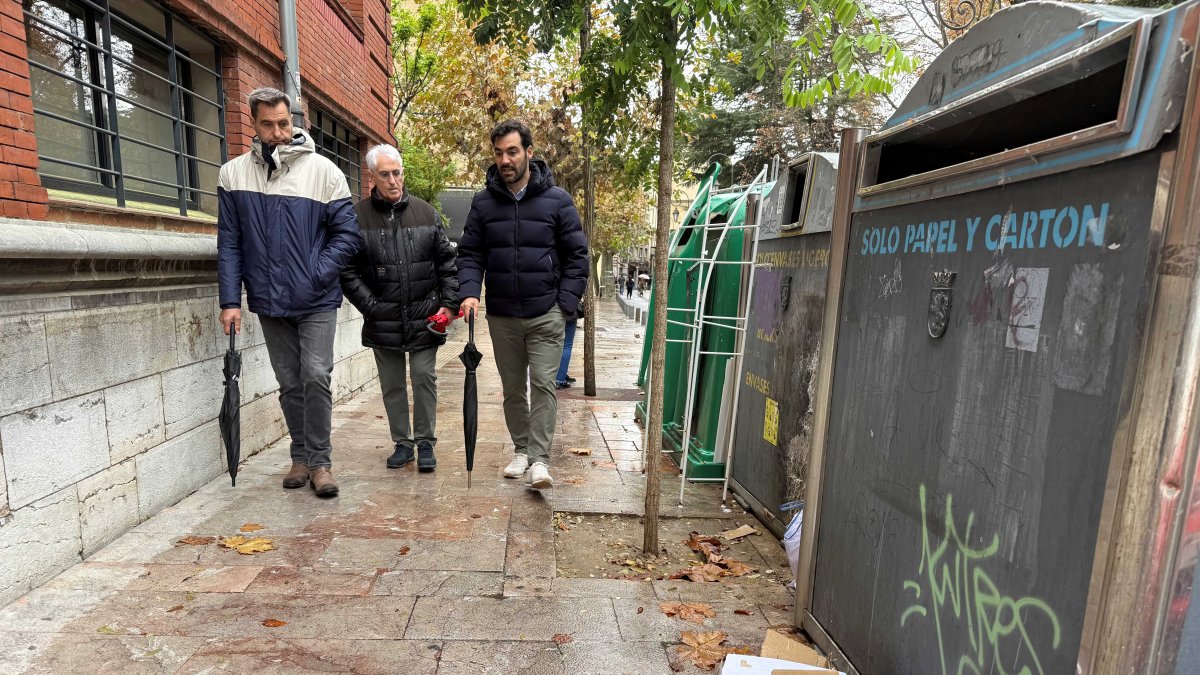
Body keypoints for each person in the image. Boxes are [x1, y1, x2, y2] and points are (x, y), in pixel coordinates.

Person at [217, 87, 361, 498]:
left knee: (316, 376)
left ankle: (320, 462)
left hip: (316, 297)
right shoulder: (233, 175)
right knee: (289, 382)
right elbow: (229, 242)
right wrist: (230, 299)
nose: (278, 132)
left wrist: (317, 272)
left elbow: (348, 235)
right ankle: (299, 455)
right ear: (254, 124)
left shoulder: (324, 172)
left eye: (284, 123)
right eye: (268, 124)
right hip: (269, 298)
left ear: (295, 122)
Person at [457, 119, 589, 489]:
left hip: (546, 310)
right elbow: (470, 253)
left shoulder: (557, 200)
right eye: (499, 153)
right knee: (513, 388)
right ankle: (521, 449)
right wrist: (469, 291)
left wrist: (564, 304)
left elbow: (578, 255)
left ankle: (540, 461)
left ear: (529, 153)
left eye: (512, 151)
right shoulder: (483, 203)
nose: (505, 160)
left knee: (544, 384)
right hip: (502, 315)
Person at [340, 145, 458, 472]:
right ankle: (402, 443)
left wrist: (448, 305)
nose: (394, 180)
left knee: (423, 377)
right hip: (383, 318)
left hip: (425, 316)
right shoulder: (357, 217)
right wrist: (371, 306)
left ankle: (425, 442)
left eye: (398, 172)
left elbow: (447, 264)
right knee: (392, 384)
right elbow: (347, 270)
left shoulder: (425, 213)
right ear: (372, 177)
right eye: (385, 174)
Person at [555, 301, 584, 390]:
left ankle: (561, 372)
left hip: (552, 311)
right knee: (567, 345)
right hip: (569, 309)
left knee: (555, 343)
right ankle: (560, 379)